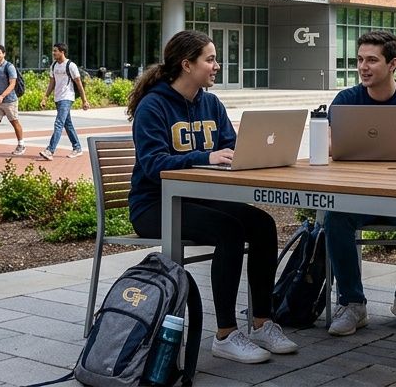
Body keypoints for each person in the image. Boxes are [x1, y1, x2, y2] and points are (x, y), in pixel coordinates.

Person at [127, 30, 298, 364]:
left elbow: (231, 147)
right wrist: (205, 156)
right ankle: (226, 334)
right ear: (187, 64)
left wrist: (247, 155)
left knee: (262, 223)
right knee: (229, 230)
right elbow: (152, 165)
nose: (216, 65)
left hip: (198, 198)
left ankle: (262, 323)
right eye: (210, 59)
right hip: (154, 205)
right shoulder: (154, 106)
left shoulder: (210, 103)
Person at [324, 30, 396, 336]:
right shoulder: (346, 99)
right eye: (359, 60)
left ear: (393, 63)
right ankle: (352, 304)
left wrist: (371, 147)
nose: (363, 67)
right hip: (357, 196)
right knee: (335, 220)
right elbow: (329, 145)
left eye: (372, 60)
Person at [38, 43, 88, 160]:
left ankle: (50, 150)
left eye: (55, 51)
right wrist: (45, 97)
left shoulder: (71, 65)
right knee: (67, 124)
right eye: (53, 51)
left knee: (58, 123)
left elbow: (79, 84)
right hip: (58, 98)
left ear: (62, 52)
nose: (53, 53)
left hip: (67, 97)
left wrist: (84, 100)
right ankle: (77, 147)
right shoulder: (54, 65)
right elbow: (52, 83)